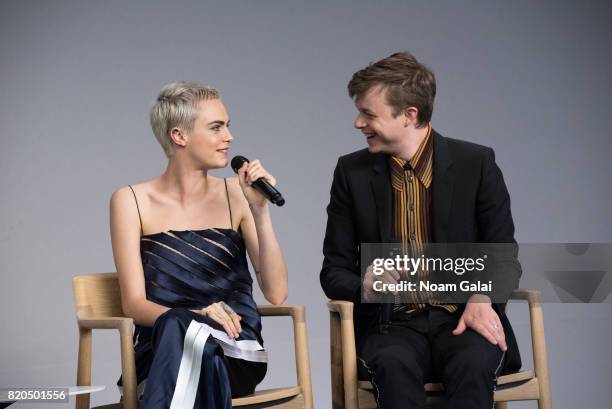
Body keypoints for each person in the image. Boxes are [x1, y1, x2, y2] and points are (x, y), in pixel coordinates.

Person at [320, 52, 522, 409]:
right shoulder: (351, 173)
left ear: (409, 115)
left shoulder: (476, 164)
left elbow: (504, 255)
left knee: (473, 366)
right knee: (394, 368)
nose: (357, 123)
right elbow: (333, 270)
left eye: (368, 114)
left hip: (464, 319)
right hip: (390, 326)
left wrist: (481, 298)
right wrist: (364, 286)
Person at [110, 81, 288, 408]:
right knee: (183, 331)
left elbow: (276, 293)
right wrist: (193, 315)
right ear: (179, 136)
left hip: (235, 347)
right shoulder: (131, 201)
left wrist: (260, 210)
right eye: (216, 127)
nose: (229, 137)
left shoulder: (237, 193)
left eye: (228, 126)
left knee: (186, 336)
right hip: (162, 348)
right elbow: (133, 304)